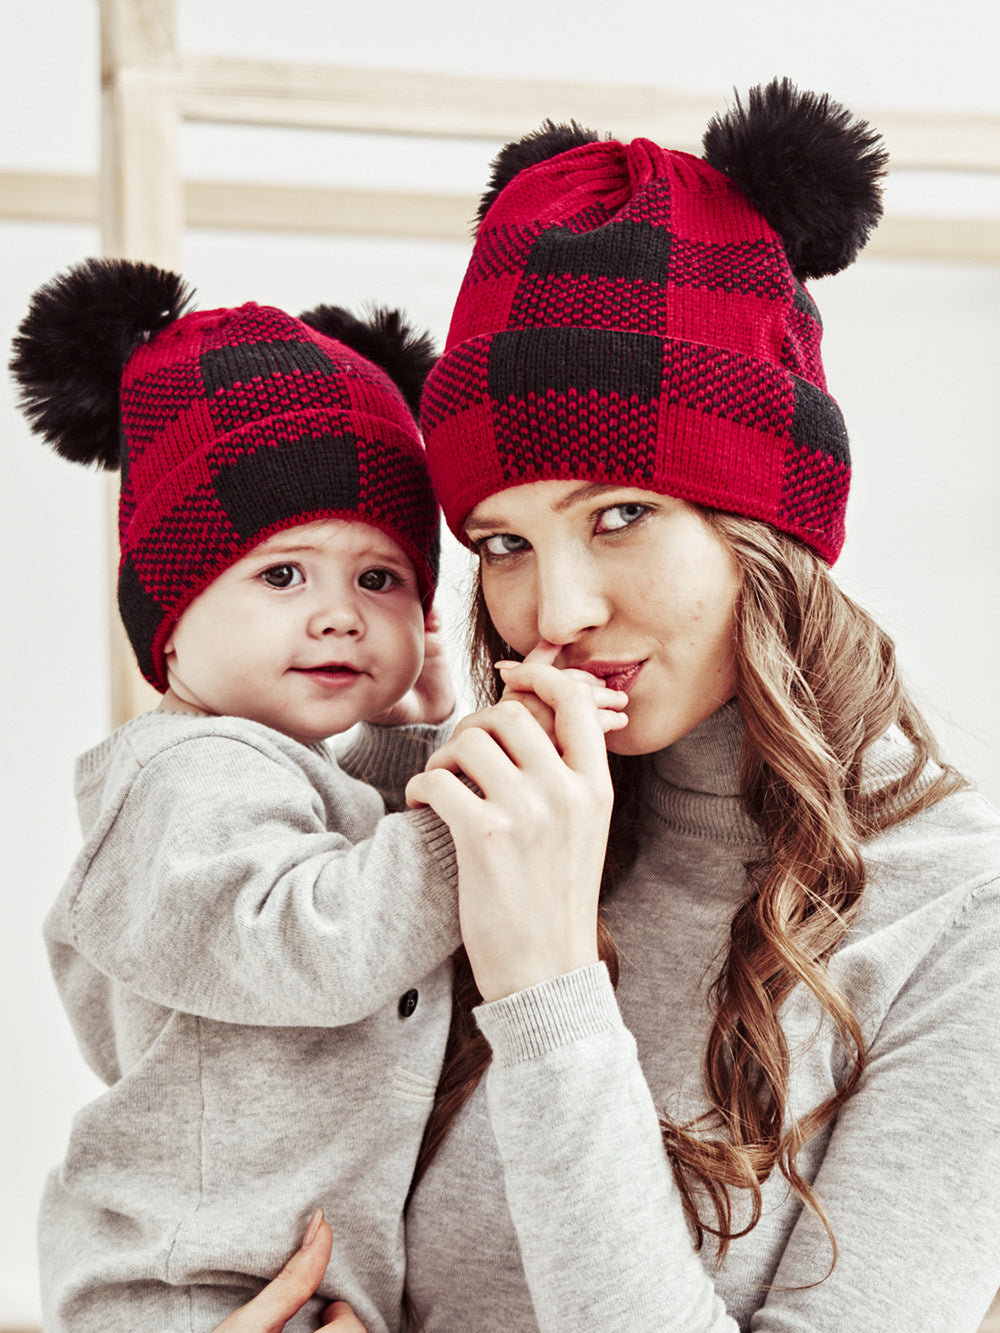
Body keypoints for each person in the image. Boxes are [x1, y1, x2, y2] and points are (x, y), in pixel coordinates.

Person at [223, 78, 1000, 1331]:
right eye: (505, 541)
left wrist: (545, 989)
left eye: (619, 515)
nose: (554, 610)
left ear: (767, 528)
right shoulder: (456, 816)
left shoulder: (958, 918)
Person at [10, 266, 468, 1333]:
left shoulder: (259, 772)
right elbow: (308, 941)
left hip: (268, 1277)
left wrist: (405, 747)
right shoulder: (181, 775)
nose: (339, 616)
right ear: (169, 622)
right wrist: (470, 819)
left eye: (381, 579)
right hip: (177, 1285)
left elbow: (326, 855)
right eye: (282, 576)